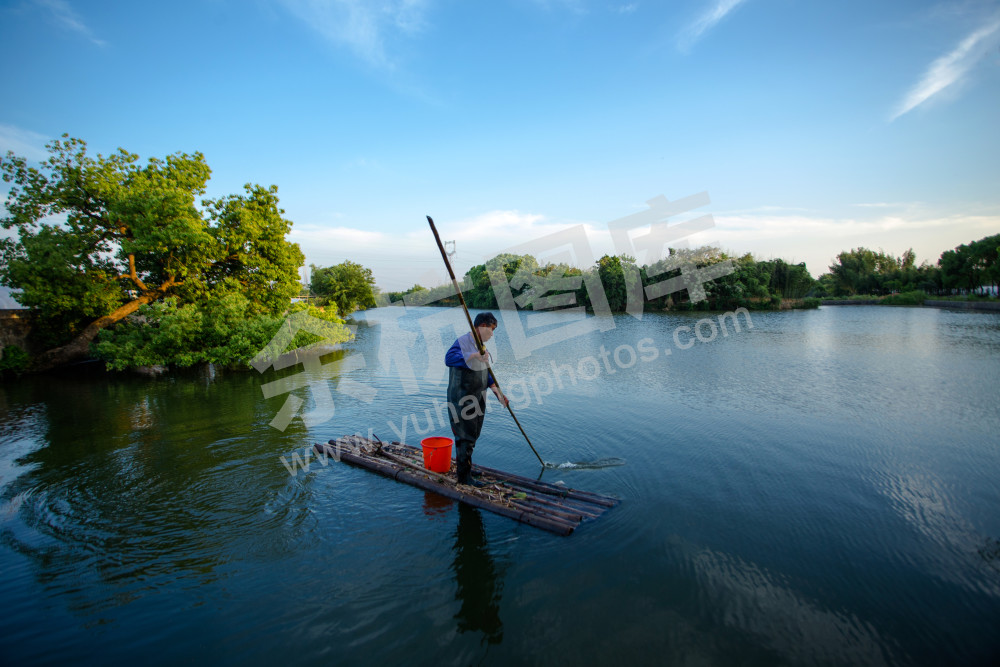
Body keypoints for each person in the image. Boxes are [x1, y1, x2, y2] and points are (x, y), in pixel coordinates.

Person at [445, 312, 509, 486]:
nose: (492, 334)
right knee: (464, 436)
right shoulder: (463, 342)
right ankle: (464, 478)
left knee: (472, 435)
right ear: (482, 326)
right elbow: (449, 358)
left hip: (477, 397)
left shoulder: (481, 347)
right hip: (462, 399)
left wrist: (498, 394)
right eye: (491, 329)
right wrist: (473, 356)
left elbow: (486, 373)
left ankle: (466, 467)